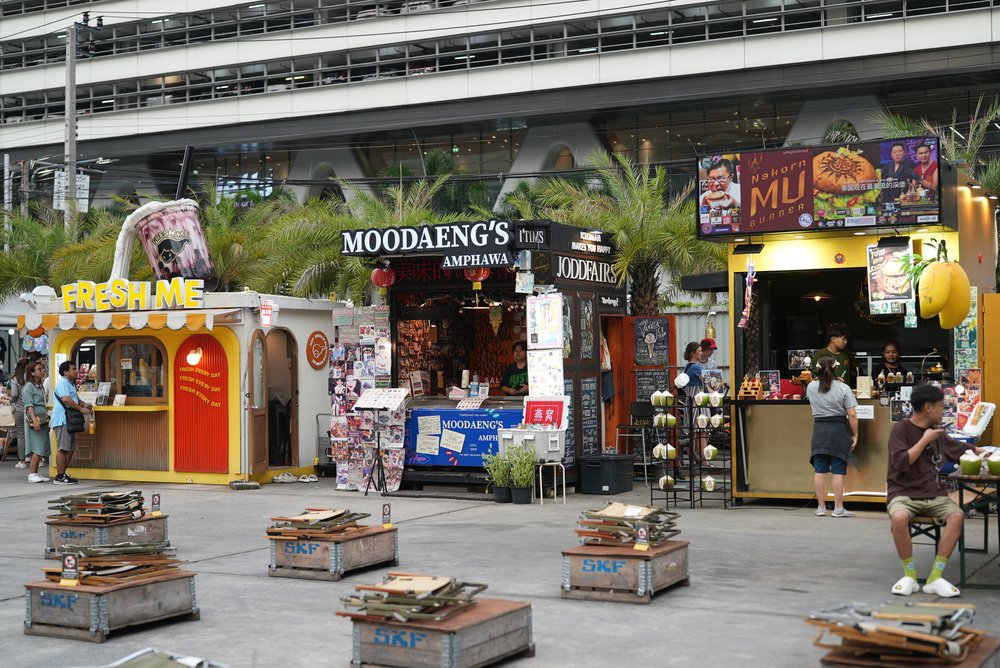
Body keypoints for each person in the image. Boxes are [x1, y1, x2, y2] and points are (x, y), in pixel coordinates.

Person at [887, 384, 986, 598]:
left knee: (957, 516)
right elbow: (901, 463)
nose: (944, 410)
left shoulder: (936, 433)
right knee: (899, 518)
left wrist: (982, 452)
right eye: (941, 406)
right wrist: (924, 440)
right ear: (928, 407)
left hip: (932, 493)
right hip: (903, 492)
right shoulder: (901, 430)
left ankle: (935, 577)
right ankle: (909, 575)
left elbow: (957, 448)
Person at [807, 356, 859, 518]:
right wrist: (855, 434)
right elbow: (852, 414)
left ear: (818, 369)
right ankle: (838, 508)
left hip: (819, 430)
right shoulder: (844, 388)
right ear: (836, 368)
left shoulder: (810, 386)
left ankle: (821, 507)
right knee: (838, 470)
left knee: (820, 470)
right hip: (838, 430)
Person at [51, 361, 92, 486]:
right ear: (65, 372)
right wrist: (81, 409)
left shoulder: (70, 384)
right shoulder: (63, 382)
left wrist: (85, 404)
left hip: (68, 420)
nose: (76, 371)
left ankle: (63, 474)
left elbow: (75, 399)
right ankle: (59, 476)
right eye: (73, 369)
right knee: (63, 448)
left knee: (70, 448)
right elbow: (66, 399)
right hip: (62, 419)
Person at [22, 360, 51, 483]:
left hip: (42, 418)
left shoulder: (39, 385)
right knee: (37, 447)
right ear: (32, 373)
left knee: (41, 445)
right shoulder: (29, 386)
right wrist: (35, 421)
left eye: (43, 369)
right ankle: (32, 474)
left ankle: (35, 473)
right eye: (39, 369)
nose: (42, 371)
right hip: (36, 419)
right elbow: (29, 406)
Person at [9, 357, 29, 468]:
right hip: (31, 409)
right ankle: (35, 458)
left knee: (21, 435)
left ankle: (22, 461)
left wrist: (10, 400)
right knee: (32, 434)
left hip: (20, 409)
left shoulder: (15, 379)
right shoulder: (31, 378)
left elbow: (14, 394)